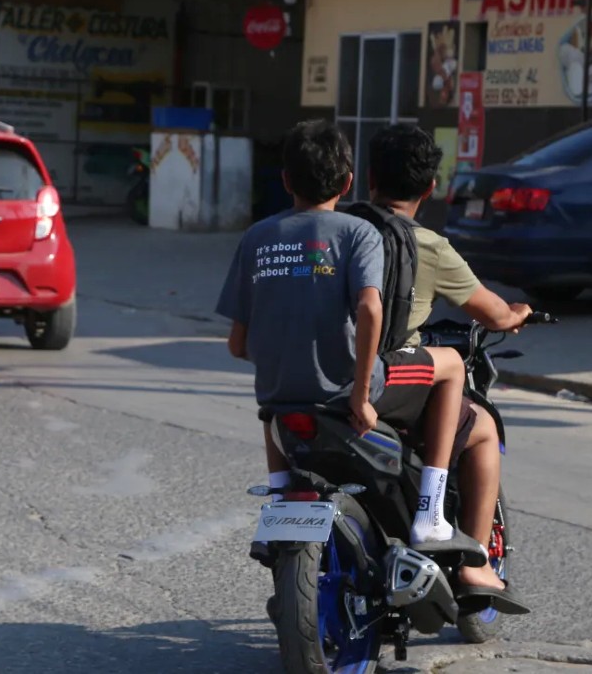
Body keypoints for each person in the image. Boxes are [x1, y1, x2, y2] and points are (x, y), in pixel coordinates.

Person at [215, 119, 468, 549]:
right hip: (344, 394)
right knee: (455, 364)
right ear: (349, 181)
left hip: (277, 395)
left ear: (285, 180)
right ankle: (430, 512)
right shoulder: (357, 232)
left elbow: (237, 343)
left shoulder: (257, 236)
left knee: (274, 406)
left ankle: (279, 495)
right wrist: (360, 397)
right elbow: (370, 307)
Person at [366, 123, 534, 614]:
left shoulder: (344, 228)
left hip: (325, 373)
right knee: (480, 426)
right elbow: (495, 313)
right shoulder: (428, 246)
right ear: (431, 187)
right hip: (391, 377)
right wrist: (519, 315)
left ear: (369, 177)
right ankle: (473, 563)